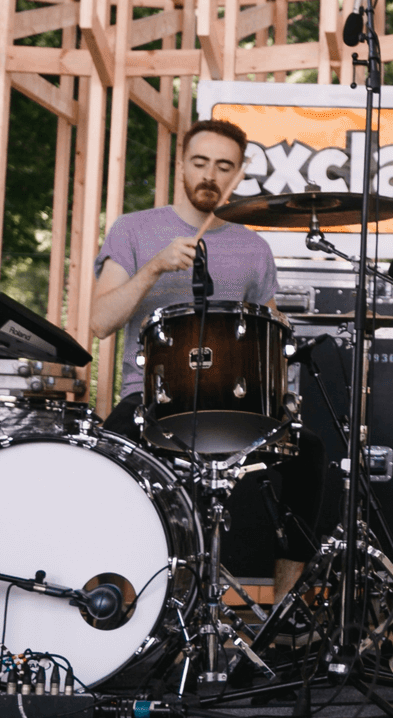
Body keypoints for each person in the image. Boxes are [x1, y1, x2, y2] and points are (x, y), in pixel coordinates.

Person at [86, 119, 312, 587]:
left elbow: (269, 332)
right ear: (182, 165)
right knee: (104, 465)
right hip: (151, 403)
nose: (210, 174)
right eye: (201, 162)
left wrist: (281, 331)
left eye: (224, 166)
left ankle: (286, 613)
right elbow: (99, 322)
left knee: (309, 453)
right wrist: (153, 268)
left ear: (237, 176)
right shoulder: (133, 230)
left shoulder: (254, 247)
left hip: (235, 405)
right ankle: (115, 599)